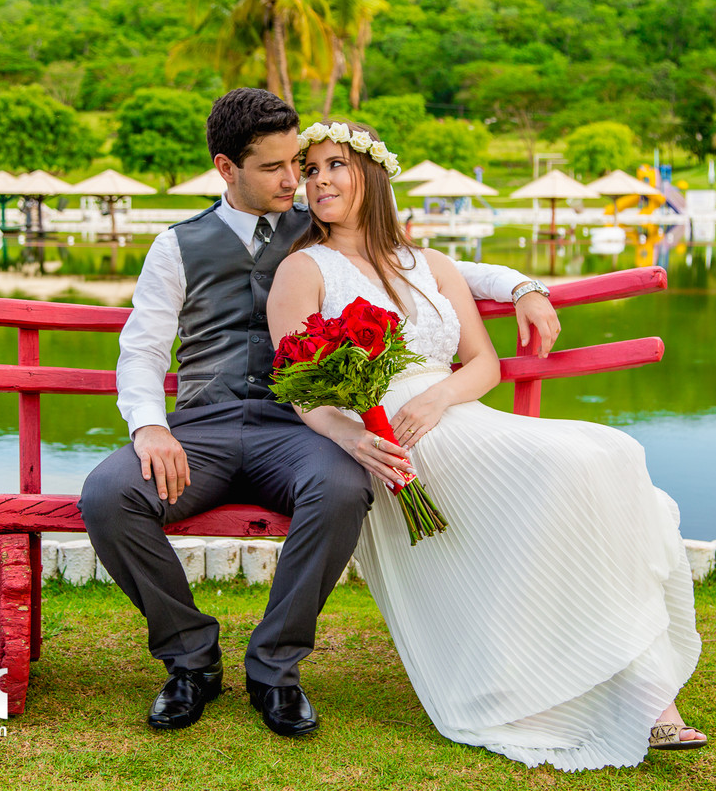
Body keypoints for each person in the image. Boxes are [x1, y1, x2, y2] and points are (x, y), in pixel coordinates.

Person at [77, 89, 561, 737]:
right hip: (205, 428)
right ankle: (190, 658)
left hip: (299, 428)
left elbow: (423, 266)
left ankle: (275, 668)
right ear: (227, 169)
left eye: (298, 164)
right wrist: (150, 427)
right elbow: (140, 348)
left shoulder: (320, 234)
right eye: (278, 168)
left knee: (341, 487)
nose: (295, 180)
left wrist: (523, 285)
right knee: (109, 495)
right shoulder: (177, 246)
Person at [267, 121, 706, 770]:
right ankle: (619, 691)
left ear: (373, 176)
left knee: (613, 455)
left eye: (335, 165)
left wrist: (440, 394)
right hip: (388, 436)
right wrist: (360, 437)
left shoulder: (430, 264)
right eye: (310, 171)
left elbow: (483, 363)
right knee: (574, 468)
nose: (320, 180)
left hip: (452, 413)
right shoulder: (302, 268)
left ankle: (645, 693)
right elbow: (300, 385)